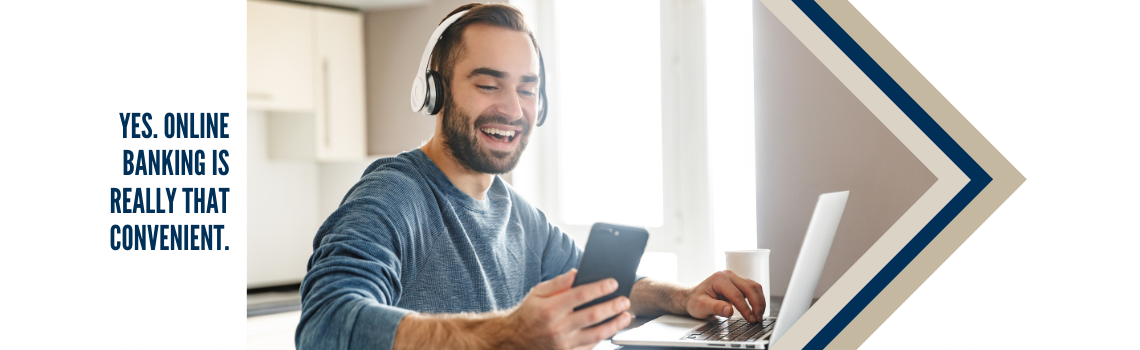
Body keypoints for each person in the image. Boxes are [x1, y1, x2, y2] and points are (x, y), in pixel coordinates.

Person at [296, 4, 765, 350]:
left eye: (527, 88)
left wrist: (683, 297)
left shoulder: (519, 216)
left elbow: (598, 287)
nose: (512, 108)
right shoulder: (393, 195)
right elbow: (326, 325)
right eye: (487, 84)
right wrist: (508, 333)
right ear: (435, 90)